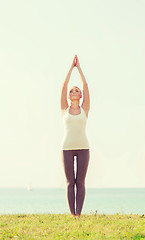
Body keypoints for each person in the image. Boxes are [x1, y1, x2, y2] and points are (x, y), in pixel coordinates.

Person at [60, 55, 90, 217]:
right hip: (67, 148)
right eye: (72, 91)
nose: (73, 91)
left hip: (83, 148)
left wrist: (79, 69)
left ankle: (79, 213)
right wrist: (71, 68)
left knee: (81, 182)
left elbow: (85, 85)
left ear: (80, 95)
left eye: (76, 90)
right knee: (70, 182)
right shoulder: (64, 109)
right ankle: (72, 214)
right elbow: (64, 85)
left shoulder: (85, 108)